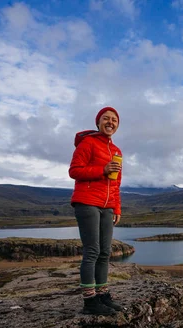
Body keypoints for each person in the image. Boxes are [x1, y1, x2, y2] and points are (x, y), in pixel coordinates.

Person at [69, 106, 124, 315]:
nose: (110, 122)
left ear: (117, 125)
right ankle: (89, 301)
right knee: (92, 250)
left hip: (107, 206)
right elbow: (74, 171)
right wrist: (102, 169)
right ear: (98, 122)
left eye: (114, 120)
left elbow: (116, 183)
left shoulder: (117, 151)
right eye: (106, 119)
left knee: (105, 252)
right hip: (87, 202)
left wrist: (116, 207)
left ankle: (102, 294)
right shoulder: (88, 143)